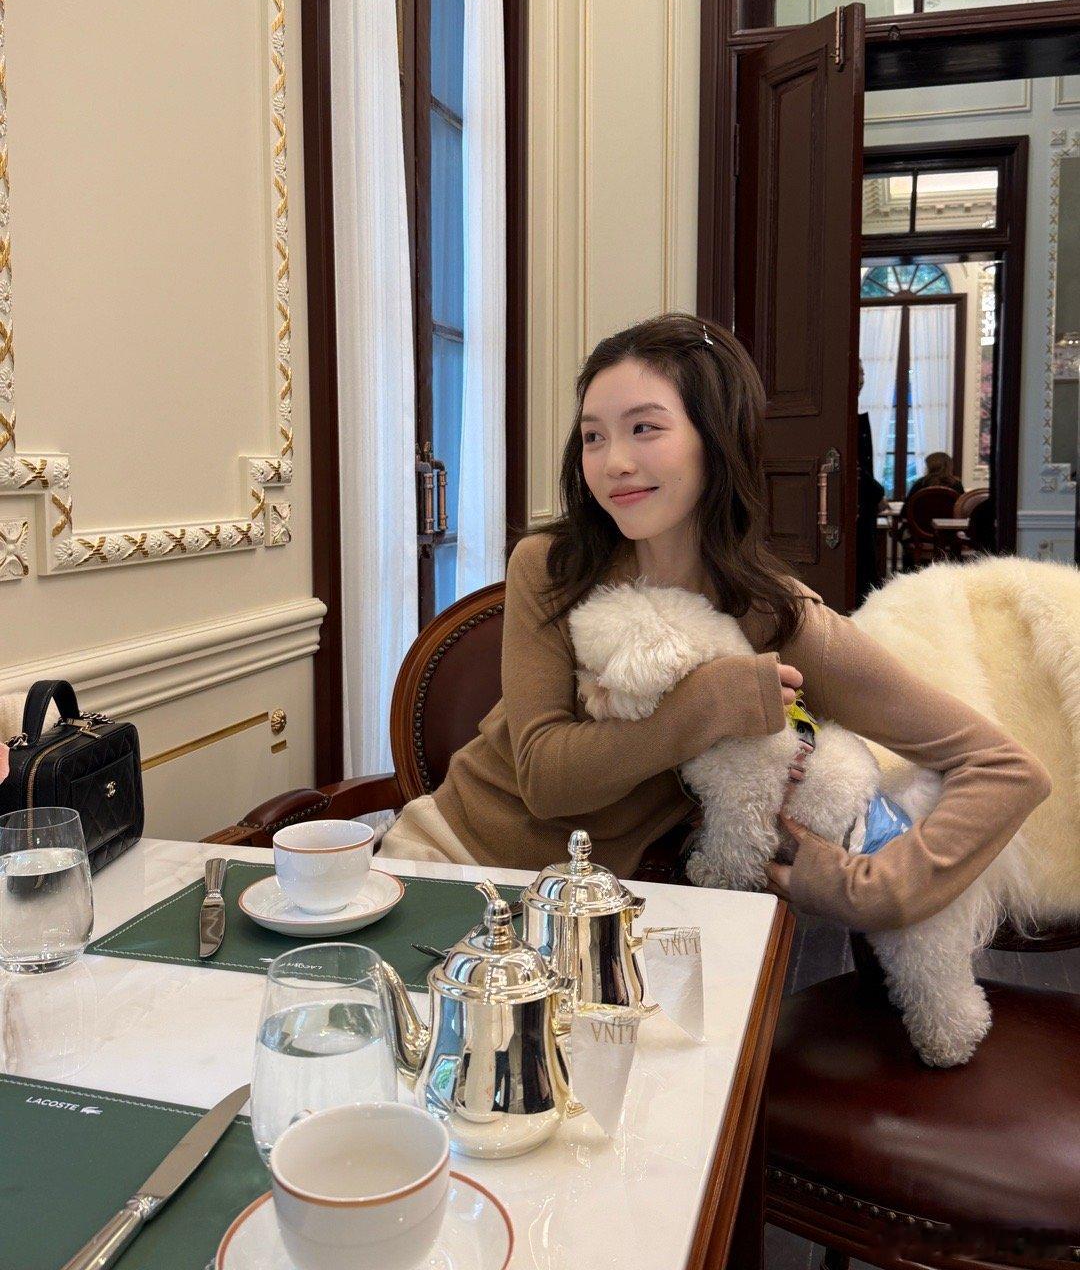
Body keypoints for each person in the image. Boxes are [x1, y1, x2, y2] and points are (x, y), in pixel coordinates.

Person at [380, 314, 1050, 932]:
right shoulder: (552, 566)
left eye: (645, 428)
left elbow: (1004, 768)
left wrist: (879, 892)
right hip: (449, 857)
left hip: (590, 915)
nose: (613, 462)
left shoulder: (779, 617)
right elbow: (545, 778)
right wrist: (703, 706)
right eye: (593, 436)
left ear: (716, 438)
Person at [855, 359, 887, 606]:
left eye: (864, 373)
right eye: (859, 372)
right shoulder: (843, 420)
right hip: (858, 505)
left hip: (865, 505)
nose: (862, 378)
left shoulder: (855, 417)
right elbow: (856, 469)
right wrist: (878, 493)